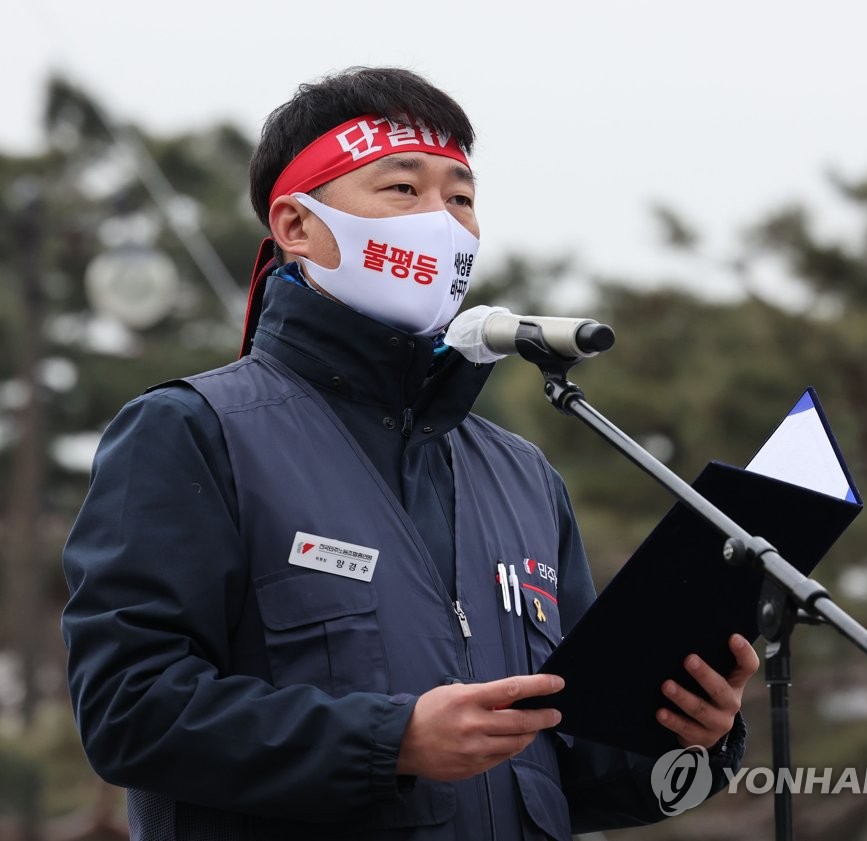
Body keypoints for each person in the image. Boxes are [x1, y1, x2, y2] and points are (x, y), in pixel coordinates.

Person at [61, 66, 760, 841]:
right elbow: (129, 709)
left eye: (461, 198)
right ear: (296, 226)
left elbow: (568, 769)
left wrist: (683, 731)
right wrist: (392, 741)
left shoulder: (524, 476)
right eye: (403, 190)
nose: (442, 221)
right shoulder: (193, 431)